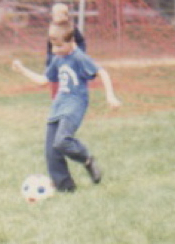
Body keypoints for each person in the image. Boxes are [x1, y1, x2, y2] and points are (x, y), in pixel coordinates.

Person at [12, 18, 121, 192]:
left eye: (59, 46)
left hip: (75, 104)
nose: (55, 50)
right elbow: (43, 81)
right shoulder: (57, 59)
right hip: (58, 105)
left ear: (72, 42)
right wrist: (22, 70)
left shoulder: (79, 57)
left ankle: (87, 159)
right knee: (51, 151)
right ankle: (66, 188)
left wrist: (110, 96)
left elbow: (102, 72)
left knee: (62, 140)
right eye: (52, 46)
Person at [46, 3, 86, 98]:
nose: (58, 17)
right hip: (56, 60)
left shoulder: (71, 28)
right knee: (55, 82)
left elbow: (81, 42)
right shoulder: (53, 29)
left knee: (70, 80)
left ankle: (72, 97)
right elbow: (49, 47)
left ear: (66, 16)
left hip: (70, 61)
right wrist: (49, 62)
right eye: (55, 15)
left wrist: (78, 52)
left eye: (61, 15)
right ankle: (56, 100)